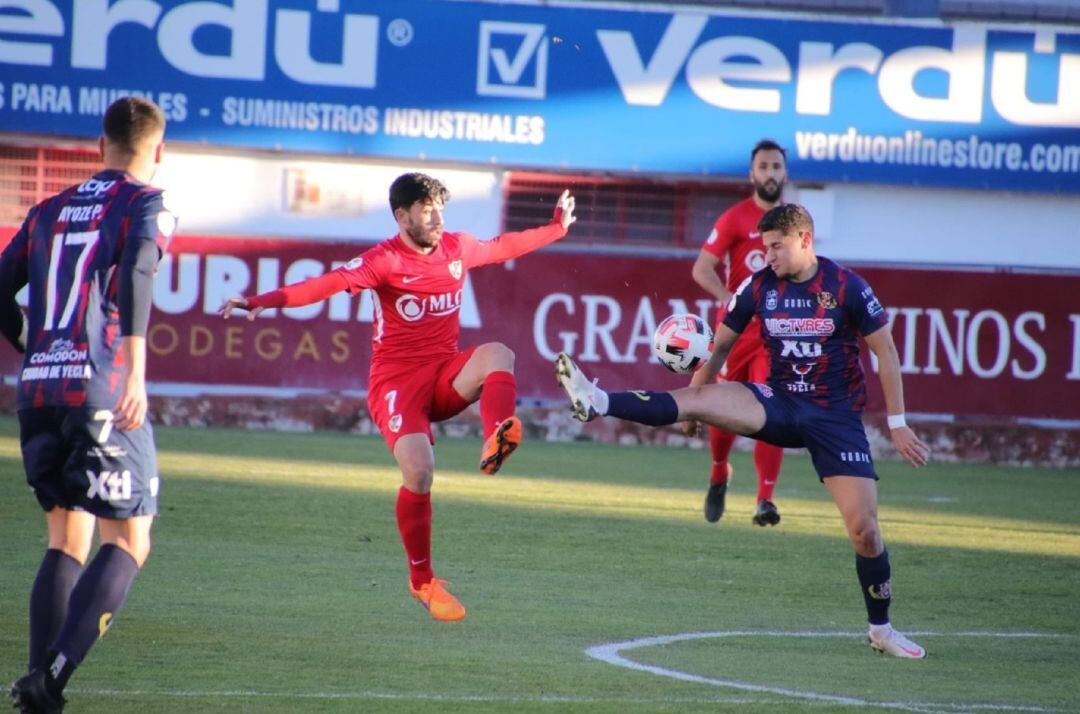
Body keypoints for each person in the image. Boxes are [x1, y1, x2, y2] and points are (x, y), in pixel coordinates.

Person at [555, 204, 930, 658]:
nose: (767, 255)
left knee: (865, 531)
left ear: (805, 240)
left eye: (776, 246)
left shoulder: (846, 286)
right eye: (764, 246)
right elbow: (716, 352)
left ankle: (881, 629)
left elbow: (885, 351)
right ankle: (597, 400)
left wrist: (898, 423)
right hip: (778, 403)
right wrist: (694, 403)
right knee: (694, 398)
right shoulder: (757, 287)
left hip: (835, 418)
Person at [220, 173, 576, 622]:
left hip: (445, 374)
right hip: (396, 384)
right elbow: (324, 285)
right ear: (402, 215)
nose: (437, 216)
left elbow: (504, 245)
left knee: (497, 353)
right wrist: (258, 302)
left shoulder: (456, 248)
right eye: (427, 209)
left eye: (440, 207)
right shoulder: (384, 260)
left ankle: (497, 435)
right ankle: (422, 581)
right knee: (420, 472)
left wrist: (557, 228)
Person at [1, 97, 175, 712]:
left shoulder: (48, 208)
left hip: (40, 387)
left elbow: (1, 288)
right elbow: (136, 275)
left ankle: (33, 686)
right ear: (158, 151)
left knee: (65, 536)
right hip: (99, 383)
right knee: (129, 539)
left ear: (99, 145)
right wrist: (134, 371)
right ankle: (50, 679)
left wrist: (33, 342)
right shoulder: (145, 202)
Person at [690, 139, 787, 526]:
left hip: (777, 335)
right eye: (763, 166)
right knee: (726, 413)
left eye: (776, 166)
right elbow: (701, 269)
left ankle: (765, 500)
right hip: (735, 335)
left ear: (785, 172)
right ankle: (718, 471)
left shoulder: (795, 221)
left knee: (772, 412)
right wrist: (732, 299)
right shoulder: (735, 218)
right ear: (752, 174)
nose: (770, 173)